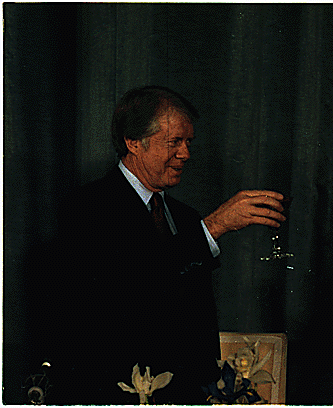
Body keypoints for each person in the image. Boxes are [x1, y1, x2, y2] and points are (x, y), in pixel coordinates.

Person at [31, 86, 287, 405]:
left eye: (188, 142)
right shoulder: (86, 208)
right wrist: (214, 226)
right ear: (133, 142)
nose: (186, 154)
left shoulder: (184, 216)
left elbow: (196, 317)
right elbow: (130, 292)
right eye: (174, 142)